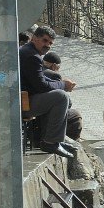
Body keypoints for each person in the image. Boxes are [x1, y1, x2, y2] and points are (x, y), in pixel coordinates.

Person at [19, 26, 77, 159]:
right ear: (34, 38)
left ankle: (51, 140)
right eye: (45, 41)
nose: (47, 45)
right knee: (61, 97)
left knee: (59, 94)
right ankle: (50, 142)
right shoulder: (32, 56)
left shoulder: (31, 52)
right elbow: (41, 86)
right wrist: (63, 85)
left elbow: (40, 79)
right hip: (21, 103)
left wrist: (61, 83)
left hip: (24, 98)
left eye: (50, 43)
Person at [42, 52, 84, 141]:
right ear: (54, 66)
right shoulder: (53, 75)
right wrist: (65, 87)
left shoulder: (37, 70)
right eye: (58, 68)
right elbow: (68, 103)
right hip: (44, 113)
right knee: (75, 116)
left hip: (32, 107)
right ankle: (72, 142)